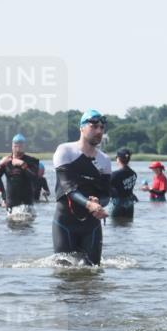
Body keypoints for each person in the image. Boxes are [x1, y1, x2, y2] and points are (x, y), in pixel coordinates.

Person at [52, 109, 112, 265]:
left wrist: (99, 202)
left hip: (91, 226)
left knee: (93, 272)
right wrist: (89, 204)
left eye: (101, 127)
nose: (99, 131)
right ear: (82, 127)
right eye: (94, 127)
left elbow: (106, 194)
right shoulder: (65, 151)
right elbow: (68, 188)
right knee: (64, 275)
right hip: (65, 223)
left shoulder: (104, 160)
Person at [0, 134, 40, 211]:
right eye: (16, 144)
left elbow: (35, 179)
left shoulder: (32, 161)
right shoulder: (6, 161)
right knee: (11, 222)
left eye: (21, 144)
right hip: (11, 204)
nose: (18, 146)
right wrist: (0, 165)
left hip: (26, 204)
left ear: (24, 146)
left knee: (26, 222)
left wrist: (23, 165)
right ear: (12, 146)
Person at [109, 148, 139, 219]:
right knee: (128, 226)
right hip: (130, 204)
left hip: (118, 203)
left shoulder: (115, 174)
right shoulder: (134, 174)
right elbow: (127, 188)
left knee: (115, 226)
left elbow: (105, 187)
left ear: (118, 158)